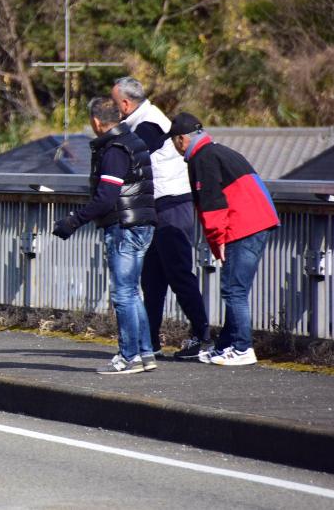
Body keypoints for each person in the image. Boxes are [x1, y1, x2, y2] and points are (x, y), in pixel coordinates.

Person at [52, 97, 158, 374]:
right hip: (142, 222)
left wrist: (72, 222)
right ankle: (145, 353)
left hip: (123, 225)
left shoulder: (114, 149)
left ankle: (128, 357)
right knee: (133, 292)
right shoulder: (132, 140)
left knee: (122, 294)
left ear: (97, 122)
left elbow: (105, 197)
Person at [111, 77, 212, 359]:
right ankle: (150, 340)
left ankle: (202, 337)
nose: (115, 110)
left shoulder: (148, 124)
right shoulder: (142, 122)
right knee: (152, 278)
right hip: (158, 206)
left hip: (172, 204)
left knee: (178, 273)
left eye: (116, 104)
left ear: (126, 103)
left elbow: (131, 161)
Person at [167, 113, 279, 366]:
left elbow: (212, 206)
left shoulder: (202, 158)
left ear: (181, 139)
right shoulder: (219, 151)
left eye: (173, 141)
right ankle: (226, 346)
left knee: (233, 291)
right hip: (260, 221)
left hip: (243, 226)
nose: (174, 147)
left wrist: (218, 242)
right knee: (235, 290)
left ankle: (242, 349)